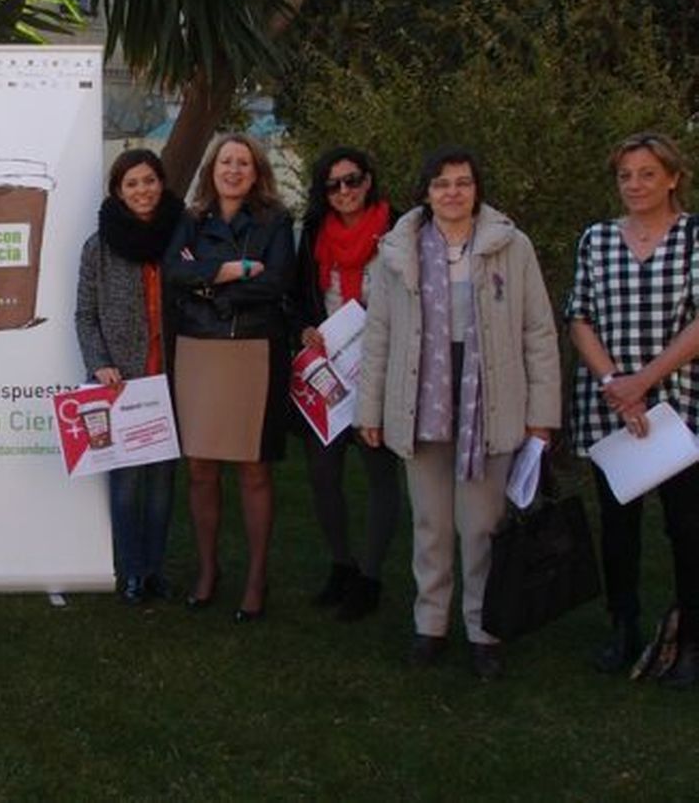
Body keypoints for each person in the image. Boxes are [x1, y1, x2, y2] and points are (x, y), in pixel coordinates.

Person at [357, 147, 559, 681]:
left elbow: (537, 332)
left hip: (489, 398)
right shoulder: (396, 252)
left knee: (481, 524)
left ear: (477, 190)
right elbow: (378, 337)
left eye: (463, 183)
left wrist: (541, 415)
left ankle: (483, 629)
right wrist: (369, 408)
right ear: (425, 192)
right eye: (441, 184)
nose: (452, 193)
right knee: (430, 524)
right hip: (419, 395)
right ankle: (430, 624)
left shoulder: (511, 247)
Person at [565, 132, 699, 686]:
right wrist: (616, 382)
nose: (635, 185)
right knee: (618, 525)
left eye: (647, 173)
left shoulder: (694, 237)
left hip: (680, 406)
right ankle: (623, 626)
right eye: (625, 175)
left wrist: (644, 380)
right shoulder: (596, 239)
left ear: (672, 177)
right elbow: (579, 317)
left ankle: (690, 639)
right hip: (612, 406)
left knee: (688, 527)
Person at [165, 134, 294, 623]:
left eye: (243, 162)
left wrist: (209, 286)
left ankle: (257, 577)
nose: (234, 170)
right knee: (199, 467)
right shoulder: (191, 219)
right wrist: (236, 270)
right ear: (211, 170)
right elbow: (173, 272)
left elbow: (277, 281)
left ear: (257, 171)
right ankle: (207, 569)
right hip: (198, 350)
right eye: (226, 162)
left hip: (253, 350)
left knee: (253, 468)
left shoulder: (275, 222)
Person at [290, 147, 404, 621]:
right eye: (333, 185)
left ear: (369, 179)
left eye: (352, 180)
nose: (344, 192)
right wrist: (305, 328)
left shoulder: (399, 228)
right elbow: (299, 294)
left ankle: (370, 577)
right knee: (323, 475)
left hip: (380, 366)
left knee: (379, 473)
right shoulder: (316, 232)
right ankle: (341, 564)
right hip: (328, 368)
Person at [76, 150, 185, 605]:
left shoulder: (183, 236)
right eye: (132, 184)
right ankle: (132, 571)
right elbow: (84, 315)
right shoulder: (98, 247)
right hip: (123, 384)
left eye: (149, 181)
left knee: (162, 483)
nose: (143, 190)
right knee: (126, 484)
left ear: (162, 183)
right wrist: (100, 362)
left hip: (176, 376)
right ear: (118, 192)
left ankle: (155, 569)